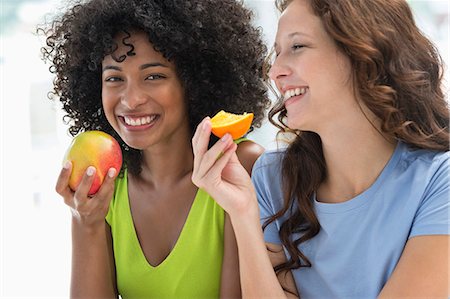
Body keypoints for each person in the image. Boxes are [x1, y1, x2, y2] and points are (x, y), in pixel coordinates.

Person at [191, 0, 450, 298]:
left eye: (297, 46)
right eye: (276, 53)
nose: (274, 71)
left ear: (363, 51)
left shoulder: (438, 182)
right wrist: (242, 212)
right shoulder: (274, 177)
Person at [38, 0, 270, 297]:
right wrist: (88, 223)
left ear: (194, 82)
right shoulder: (107, 184)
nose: (131, 99)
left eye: (154, 76)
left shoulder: (239, 168)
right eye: (114, 78)